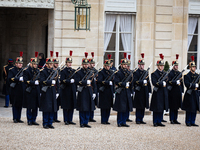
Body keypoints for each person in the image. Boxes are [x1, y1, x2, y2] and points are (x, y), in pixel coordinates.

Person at [75, 52, 97, 128]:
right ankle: (82, 122)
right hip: (82, 91)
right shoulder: (79, 72)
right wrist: (84, 82)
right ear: (82, 64)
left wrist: (94, 92)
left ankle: (86, 122)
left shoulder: (90, 72)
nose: (86, 65)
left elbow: (93, 83)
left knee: (88, 107)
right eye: (84, 64)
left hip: (88, 90)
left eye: (87, 64)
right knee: (82, 107)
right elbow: (77, 81)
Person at [113, 53, 133, 127]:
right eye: (124, 64)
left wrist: (131, 91)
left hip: (127, 91)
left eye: (126, 64)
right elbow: (116, 82)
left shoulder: (128, 73)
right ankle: (119, 122)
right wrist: (124, 84)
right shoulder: (118, 73)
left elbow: (131, 82)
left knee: (126, 108)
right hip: (121, 91)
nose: (125, 65)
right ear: (121, 65)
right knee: (121, 108)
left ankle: (124, 121)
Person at [40, 51, 59, 129]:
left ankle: (50, 122)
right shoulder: (43, 71)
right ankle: (45, 123)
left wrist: (57, 91)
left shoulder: (54, 72)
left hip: (52, 90)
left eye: (52, 64)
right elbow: (42, 81)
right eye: (50, 64)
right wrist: (50, 82)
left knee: (52, 107)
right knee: (46, 107)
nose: (51, 65)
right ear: (47, 64)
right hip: (46, 91)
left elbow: (57, 82)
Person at [150, 54, 168, 127]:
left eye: (162, 65)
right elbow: (154, 82)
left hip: (163, 92)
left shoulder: (165, 73)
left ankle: (159, 121)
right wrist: (161, 83)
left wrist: (164, 83)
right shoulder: (154, 73)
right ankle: (155, 121)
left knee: (161, 107)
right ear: (157, 66)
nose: (162, 67)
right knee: (156, 107)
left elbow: (167, 80)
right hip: (157, 92)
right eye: (160, 66)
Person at [133, 53, 151, 124]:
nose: (142, 66)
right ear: (138, 65)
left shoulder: (146, 72)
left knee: (143, 106)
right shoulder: (136, 72)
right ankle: (138, 119)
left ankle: (141, 119)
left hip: (145, 90)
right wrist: (141, 82)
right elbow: (135, 81)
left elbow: (148, 82)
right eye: (141, 65)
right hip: (139, 90)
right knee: (138, 106)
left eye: (143, 65)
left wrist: (149, 91)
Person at [182, 56, 199, 127]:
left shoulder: (197, 75)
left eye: (195, 67)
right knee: (189, 108)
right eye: (193, 67)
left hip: (195, 93)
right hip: (190, 93)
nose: (194, 68)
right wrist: (194, 85)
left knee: (194, 108)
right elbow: (187, 84)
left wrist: (197, 86)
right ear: (190, 68)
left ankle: (193, 121)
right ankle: (188, 121)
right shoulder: (187, 75)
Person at [23, 52, 40, 126]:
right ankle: (29, 120)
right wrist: (33, 83)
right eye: (34, 64)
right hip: (30, 90)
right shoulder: (26, 71)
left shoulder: (38, 71)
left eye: (36, 64)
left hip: (36, 90)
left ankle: (34, 119)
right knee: (30, 106)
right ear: (31, 64)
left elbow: (40, 79)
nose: (35, 65)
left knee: (35, 106)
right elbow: (25, 80)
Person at [60, 50, 76, 125]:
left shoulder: (73, 71)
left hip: (72, 89)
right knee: (66, 105)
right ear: (66, 63)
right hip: (66, 90)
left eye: (70, 62)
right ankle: (66, 119)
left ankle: (70, 119)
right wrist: (69, 81)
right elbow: (62, 80)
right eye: (68, 62)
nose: (70, 64)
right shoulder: (63, 71)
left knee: (71, 105)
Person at [8, 52, 25, 123]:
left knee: (20, 104)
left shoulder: (23, 70)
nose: (20, 64)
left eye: (21, 63)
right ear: (16, 64)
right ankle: (15, 118)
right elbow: (10, 78)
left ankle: (18, 118)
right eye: (19, 63)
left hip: (21, 89)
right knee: (15, 104)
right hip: (14, 89)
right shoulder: (12, 70)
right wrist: (18, 79)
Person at [98, 54, 114, 124]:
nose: (108, 67)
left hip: (109, 91)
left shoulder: (111, 72)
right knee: (104, 107)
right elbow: (100, 81)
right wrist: (107, 83)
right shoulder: (101, 72)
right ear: (104, 66)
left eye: (109, 66)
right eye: (107, 66)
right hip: (103, 91)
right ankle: (103, 120)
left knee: (109, 107)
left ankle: (107, 119)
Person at [167, 54, 184, 124]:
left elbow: (181, 83)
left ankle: (175, 119)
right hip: (172, 92)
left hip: (178, 91)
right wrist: (174, 82)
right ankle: (171, 119)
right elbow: (169, 81)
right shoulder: (170, 73)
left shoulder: (179, 73)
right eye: (175, 65)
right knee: (172, 106)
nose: (176, 66)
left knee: (176, 106)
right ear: (173, 66)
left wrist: (182, 91)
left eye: (177, 65)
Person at [88, 52, 97, 122]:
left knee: (92, 103)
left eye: (94, 63)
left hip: (93, 87)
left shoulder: (95, 71)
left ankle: (91, 116)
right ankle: (88, 116)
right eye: (92, 63)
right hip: (88, 87)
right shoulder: (88, 71)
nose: (93, 65)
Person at [52, 52, 61, 123]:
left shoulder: (59, 71)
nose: (57, 65)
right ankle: (52, 117)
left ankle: (55, 117)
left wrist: (58, 91)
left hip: (56, 88)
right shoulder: (51, 71)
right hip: (51, 88)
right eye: (55, 63)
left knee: (57, 104)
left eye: (57, 63)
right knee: (51, 104)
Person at [126, 55, 133, 122]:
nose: (128, 67)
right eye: (127, 66)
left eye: (129, 66)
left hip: (129, 90)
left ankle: (127, 117)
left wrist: (132, 91)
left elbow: (132, 83)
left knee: (129, 104)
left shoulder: (130, 72)